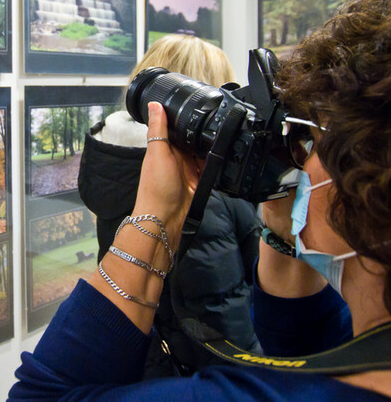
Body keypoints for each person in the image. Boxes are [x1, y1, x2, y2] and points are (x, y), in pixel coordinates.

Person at [9, 0, 391, 401]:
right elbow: (307, 343)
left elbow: (38, 397)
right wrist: (283, 229)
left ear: (367, 180)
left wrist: (155, 217)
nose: (297, 157)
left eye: (310, 139)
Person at [77, 34, 262, 375]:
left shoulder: (121, 166)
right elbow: (224, 323)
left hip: (147, 369)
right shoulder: (200, 193)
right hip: (207, 382)